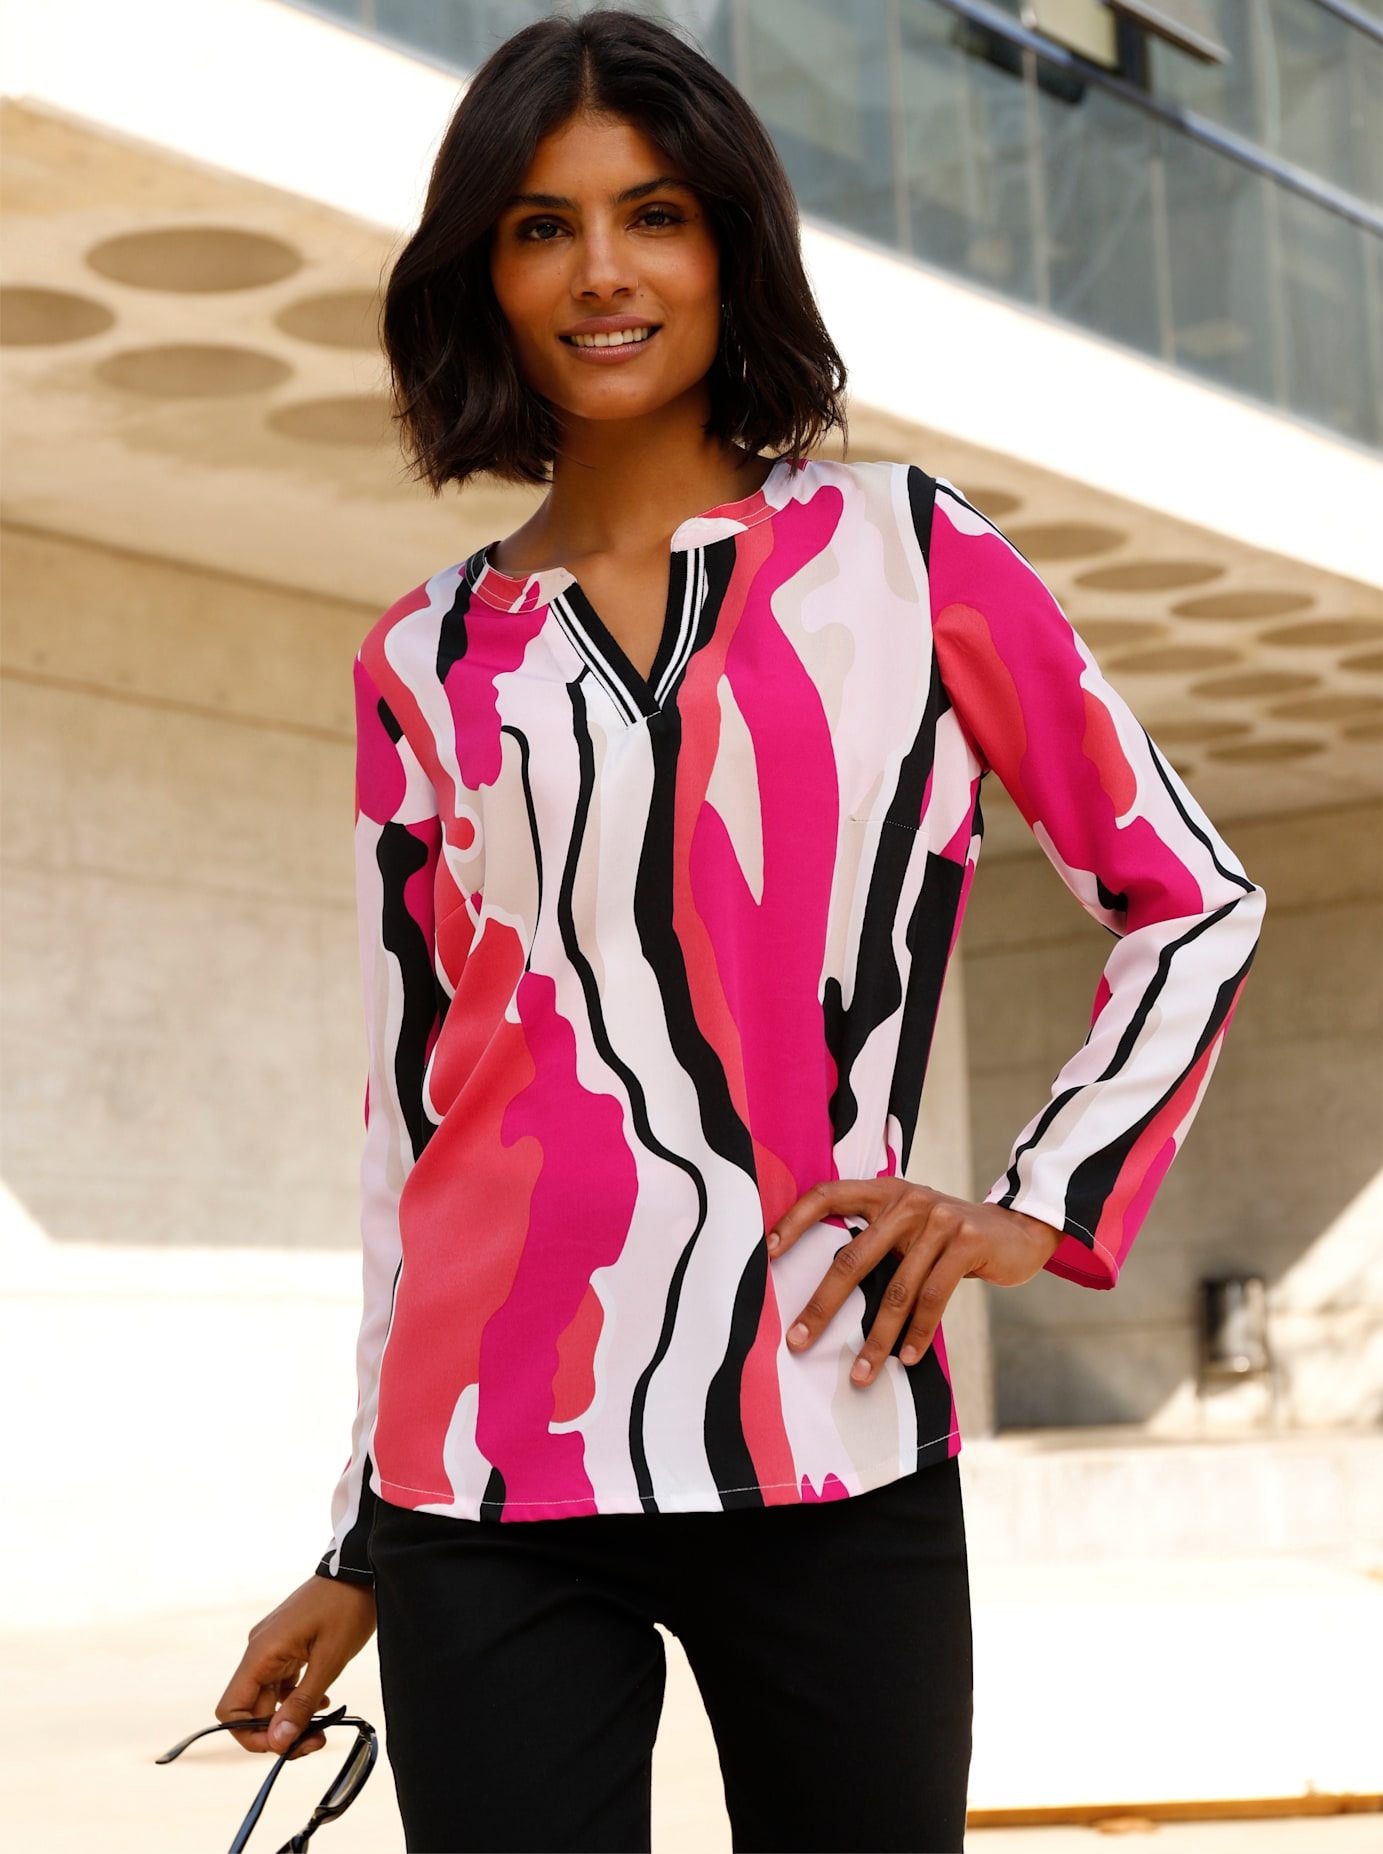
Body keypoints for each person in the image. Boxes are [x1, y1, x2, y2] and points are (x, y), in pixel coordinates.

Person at [215, 11, 1266, 1851]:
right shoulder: (424, 659)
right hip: (485, 1479)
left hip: (827, 1422)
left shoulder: (906, 553)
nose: (602, 272)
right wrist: (360, 1536)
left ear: (731, 247)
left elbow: (1190, 895)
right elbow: (414, 1122)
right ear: (484, 274)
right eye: (541, 227)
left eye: (656, 215)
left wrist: (1034, 1201)